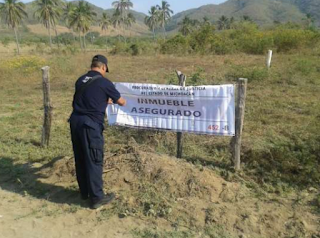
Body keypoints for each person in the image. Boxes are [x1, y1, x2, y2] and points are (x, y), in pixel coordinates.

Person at [69, 55, 126, 209]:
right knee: (94, 160)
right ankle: (97, 198)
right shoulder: (104, 82)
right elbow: (121, 101)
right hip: (90, 125)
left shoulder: (80, 80)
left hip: (75, 122)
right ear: (103, 67)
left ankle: (85, 193)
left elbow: (89, 97)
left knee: (80, 157)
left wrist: (103, 99)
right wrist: (112, 98)